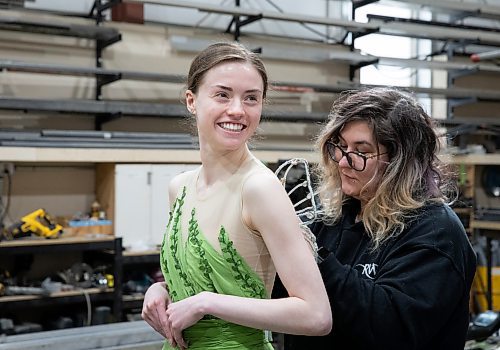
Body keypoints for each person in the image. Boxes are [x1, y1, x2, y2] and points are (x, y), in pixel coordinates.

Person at [141, 41, 331, 350]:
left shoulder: (259, 188)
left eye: (251, 98)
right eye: (222, 94)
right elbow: (199, 277)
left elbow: (316, 315)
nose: (237, 110)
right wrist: (161, 291)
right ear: (191, 100)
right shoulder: (180, 187)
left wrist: (206, 303)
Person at [281, 87, 477, 349]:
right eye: (340, 146)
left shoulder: (435, 234)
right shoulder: (334, 217)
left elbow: (388, 327)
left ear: (400, 162)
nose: (343, 162)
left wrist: (313, 258)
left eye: (361, 152)